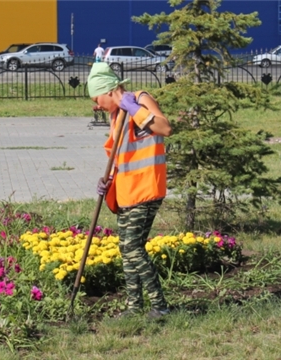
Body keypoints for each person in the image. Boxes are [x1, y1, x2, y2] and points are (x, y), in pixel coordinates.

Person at [87, 62, 172, 319]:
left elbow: (164, 128)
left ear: (109, 90)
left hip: (146, 188)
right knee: (126, 249)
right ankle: (135, 308)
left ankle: (160, 306)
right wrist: (108, 180)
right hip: (126, 192)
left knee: (133, 247)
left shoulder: (140, 99)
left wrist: (135, 109)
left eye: (97, 98)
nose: (96, 105)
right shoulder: (115, 116)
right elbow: (119, 155)